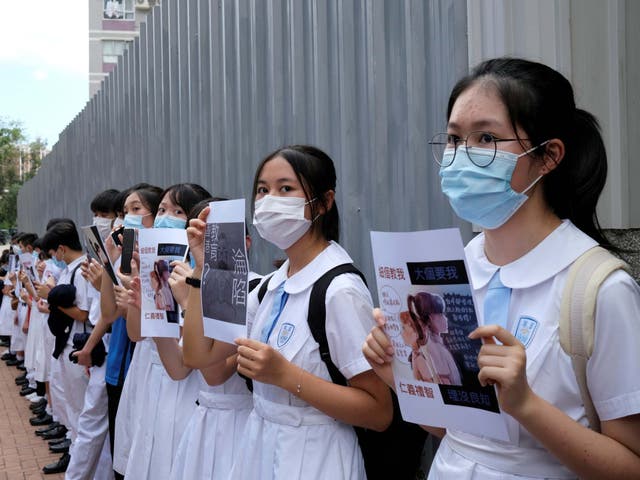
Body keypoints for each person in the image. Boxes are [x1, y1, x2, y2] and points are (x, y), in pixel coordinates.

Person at [363, 57, 640, 479]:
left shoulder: (600, 288)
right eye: (454, 139)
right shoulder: (454, 270)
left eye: (486, 138)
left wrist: (526, 405)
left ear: (548, 156)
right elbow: (453, 431)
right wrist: (399, 375)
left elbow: (629, 465)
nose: (461, 156)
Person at [183, 145, 393, 479]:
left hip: (318, 456)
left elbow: (379, 411)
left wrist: (285, 375)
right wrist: (201, 269)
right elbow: (200, 355)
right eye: (262, 190)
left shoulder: (340, 290)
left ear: (324, 202)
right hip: (260, 447)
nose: (269, 201)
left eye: (286, 189)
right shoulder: (269, 286)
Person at [406, 292, 461, 385]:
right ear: (430, 318)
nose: (445, 318)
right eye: (441, 314)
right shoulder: (436, 349)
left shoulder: (430, 346)